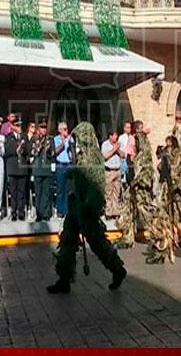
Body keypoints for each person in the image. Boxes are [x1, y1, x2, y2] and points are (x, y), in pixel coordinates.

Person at [47, 122, 127, 293]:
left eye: (78, 138)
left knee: (98, 243)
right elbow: (79, 177)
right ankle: (64, 278)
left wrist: (89, 204)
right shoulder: (81, 157)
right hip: (77, 206)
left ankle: (117, 270)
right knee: (67, 240)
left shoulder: (93, 157)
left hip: (87, 208)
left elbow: (97, 184)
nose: (75, 142)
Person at [146, 126, 181, 264]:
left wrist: (180, 184)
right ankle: (161, 251)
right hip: (167, 193)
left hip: (180, 196)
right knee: (162, 220)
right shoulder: (171, 152)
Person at [117, 125, 157, 249]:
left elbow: (147, 173)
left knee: (146, 214)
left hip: (141, 189)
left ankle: (159, 237)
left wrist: (138, 181)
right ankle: (127, 238)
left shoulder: (145, 156)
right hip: (134, 187)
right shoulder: (137, 155)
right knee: (127, 210)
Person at [3, 117, 29, 221]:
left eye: (20, 125)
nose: (19, 128)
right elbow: (7, 151)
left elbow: (28, 149)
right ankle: (14, 212)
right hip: (12, 166)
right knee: (13, 192)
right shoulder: (9, 137)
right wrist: (16, 149)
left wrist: (23, 149)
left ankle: (21, 212)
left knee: (21, 191)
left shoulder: (24, 136)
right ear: (13, 127)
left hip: (22, 167)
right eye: (17, 125)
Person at [29, 122, 54, 221]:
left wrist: (49, 150)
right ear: (38, 129)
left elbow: (53, 153)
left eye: (45, 128)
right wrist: (38, 146)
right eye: (41, 128)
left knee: (46, 193)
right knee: (38, 193)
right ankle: (39, 214)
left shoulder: (50, 139)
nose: (43, 130)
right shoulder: (34, 139)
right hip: (37, 169)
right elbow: (31, 152)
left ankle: (46, 214)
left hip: (46, 169)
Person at [53, 122, 75, 219]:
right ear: (60, 130)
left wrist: (70, 143)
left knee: (68, 189)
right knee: (60, 190)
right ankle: (60, 211)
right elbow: (56, 151)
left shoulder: (70, 139)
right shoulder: (56, 139)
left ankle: (68, 211)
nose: (66, 131)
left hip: (69, 165)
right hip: (60, 165)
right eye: (64, 129)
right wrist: (63, 142)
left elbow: (73, 152)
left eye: (67, 129)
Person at [101, 130, 121, 219]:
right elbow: (105, 156)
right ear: (110, 136)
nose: (116, 137)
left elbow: (123, 155)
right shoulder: (105, 145)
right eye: (114, 135)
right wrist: (114, 149)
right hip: (109, 171)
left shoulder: (118, 144)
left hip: (117, 170)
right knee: (108, 192)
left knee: (116, 192)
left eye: (116, 135)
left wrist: (118, 150)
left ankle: (115, 212)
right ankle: (108, 212)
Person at [120, 121, 135, 189]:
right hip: (124, 159)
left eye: (130, 128)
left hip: (131, 159)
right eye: (127, 127)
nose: (129, 129)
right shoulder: (121, 138)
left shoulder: (132, 137)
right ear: (124, 128)